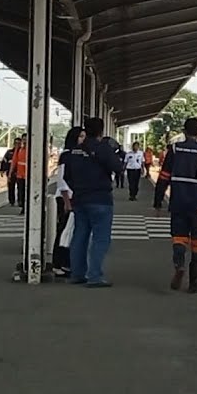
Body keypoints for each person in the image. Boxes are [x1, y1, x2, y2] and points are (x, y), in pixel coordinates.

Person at [154, 117, 197, 293]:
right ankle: (194, 283)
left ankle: (179, 265)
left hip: (178, 203)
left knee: (179, 238)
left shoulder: (174, 149)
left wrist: (158, 201)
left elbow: (163, 177)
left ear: (183, 132)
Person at [63, 117, 122, 287]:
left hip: (80, 199)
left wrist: (79, 188)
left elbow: (67, 176)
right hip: (100, 199)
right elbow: (118, 168)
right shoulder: (102, 148)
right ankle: (94, 276)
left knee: (79, 236)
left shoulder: (74, 151)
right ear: (101, 131)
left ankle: (77, 274)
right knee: (100, 239)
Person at [51, 127, 84, 277]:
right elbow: (62, 180)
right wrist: (67, 202)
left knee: (71, 232)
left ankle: (67, 263)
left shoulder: (80, 155)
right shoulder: (66, 155)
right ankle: (58, 264)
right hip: (66, 198)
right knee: (63, 230)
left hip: (76, 198)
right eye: (81, 137)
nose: (83, 140)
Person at [11, 136, 28, 214]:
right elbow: (14, 162)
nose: (24, 142)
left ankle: (25, 207)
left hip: (28, 175)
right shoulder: (18, 150)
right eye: (23, 140)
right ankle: (22, 205)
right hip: (20, 175)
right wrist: (10, 174)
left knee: (26, 192)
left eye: (26, 140)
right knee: (20, 191)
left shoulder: (30, 150)